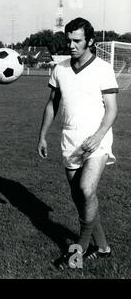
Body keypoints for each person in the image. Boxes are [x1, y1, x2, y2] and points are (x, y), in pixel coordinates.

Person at [37, 17, 118, 269]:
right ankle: (102, 247)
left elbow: (113, 109)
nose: (71, 45)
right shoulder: (59, 69)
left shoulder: (103, 68)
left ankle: (79, 249)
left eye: (77, 41)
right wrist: (42, 135)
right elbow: (52, 103)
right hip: (69, 138)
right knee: (82, 198)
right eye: (68, 40)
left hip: (97, 138)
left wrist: (98, 136)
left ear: (90, 41)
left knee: (85, 189)